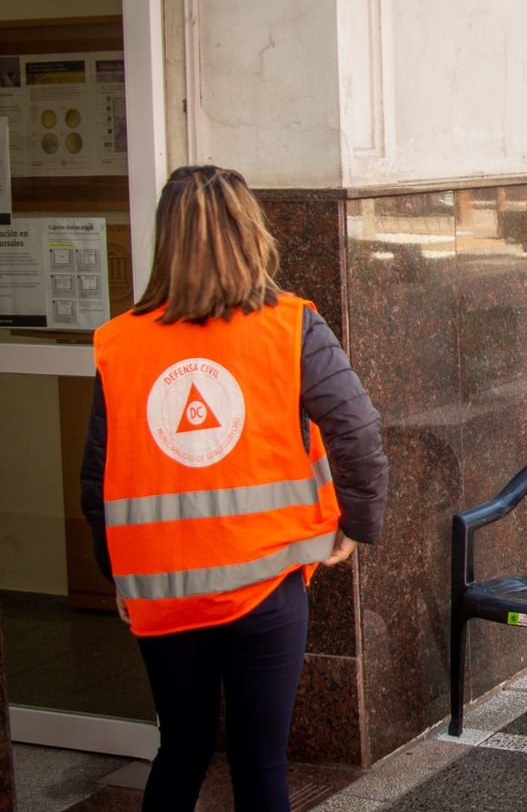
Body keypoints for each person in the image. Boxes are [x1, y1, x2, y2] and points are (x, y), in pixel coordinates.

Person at [79, 166, 389, 811]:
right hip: (265, 582)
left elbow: (97, 477)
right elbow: (355, 428)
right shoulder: (290, 326)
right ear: (252, 235)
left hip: (161, 588)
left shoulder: (120, 342)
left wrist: (120, 575)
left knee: (182, 749)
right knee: (258, 764)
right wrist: (357, 525)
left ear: (165, 240)